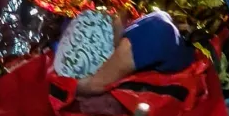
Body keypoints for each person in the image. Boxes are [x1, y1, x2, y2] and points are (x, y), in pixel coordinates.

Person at [52, 8, 193, 96]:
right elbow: (95, 84)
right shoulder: (151, 35)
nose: (112, 14)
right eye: (109, 19)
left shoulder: (139, 37)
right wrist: (83, 86)